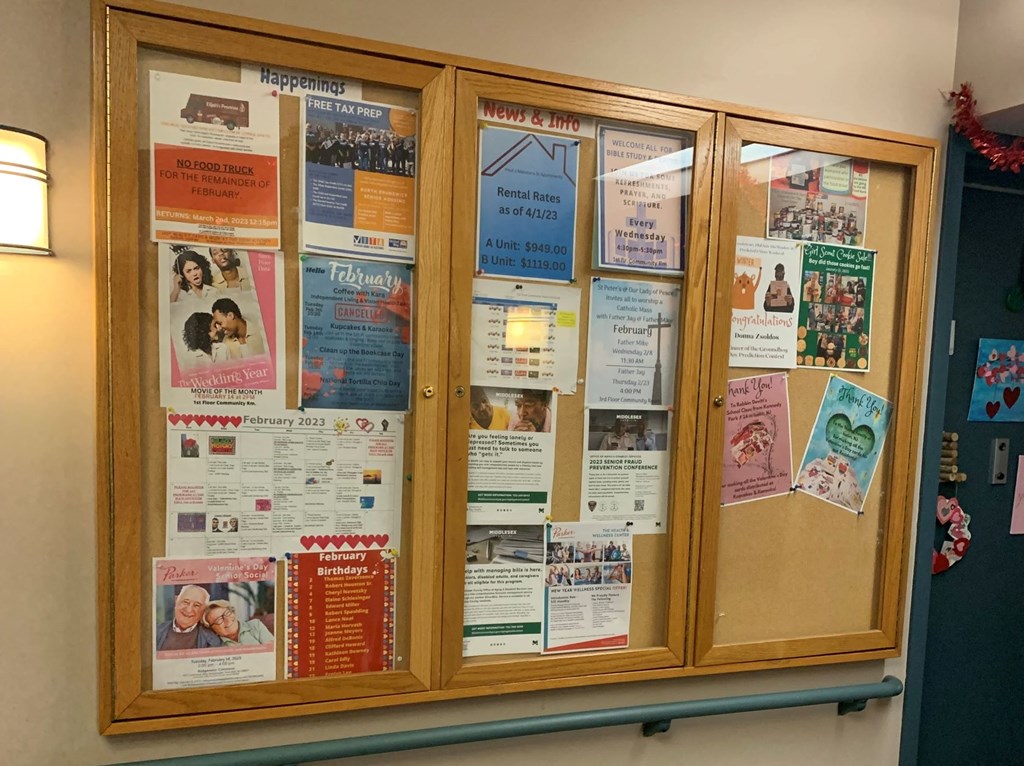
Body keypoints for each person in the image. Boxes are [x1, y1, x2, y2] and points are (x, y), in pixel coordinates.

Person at [155, 585, 223, 650]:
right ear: (176, 600)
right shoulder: (155, 632)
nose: (189, 610)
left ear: (204, 610)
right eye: (185, 602)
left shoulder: (213, 641)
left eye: (196, 605)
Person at [202, 600, 274, 645]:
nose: (227, 620)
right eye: (219, 620)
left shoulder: (255, 625)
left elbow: (272, 652)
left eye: (227, 613)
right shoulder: (216, 645)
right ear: (212, 629)